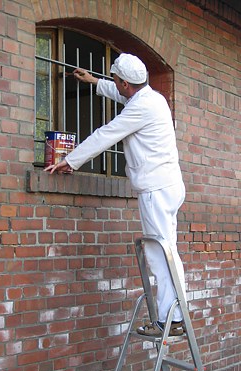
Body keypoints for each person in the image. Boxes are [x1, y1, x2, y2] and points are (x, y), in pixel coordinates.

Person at [44, 53, 186, 338]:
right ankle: (177, 315)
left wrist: (71, 160)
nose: (115, 84)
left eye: (115, 80)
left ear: (124, 82)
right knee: (168, 253)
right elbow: (123, 96)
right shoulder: (152, 98)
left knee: (160, 257)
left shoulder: (140, 108)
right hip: (168, 186)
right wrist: (95, 81)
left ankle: (170, 320)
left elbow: (105, 134)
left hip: (155, 191)